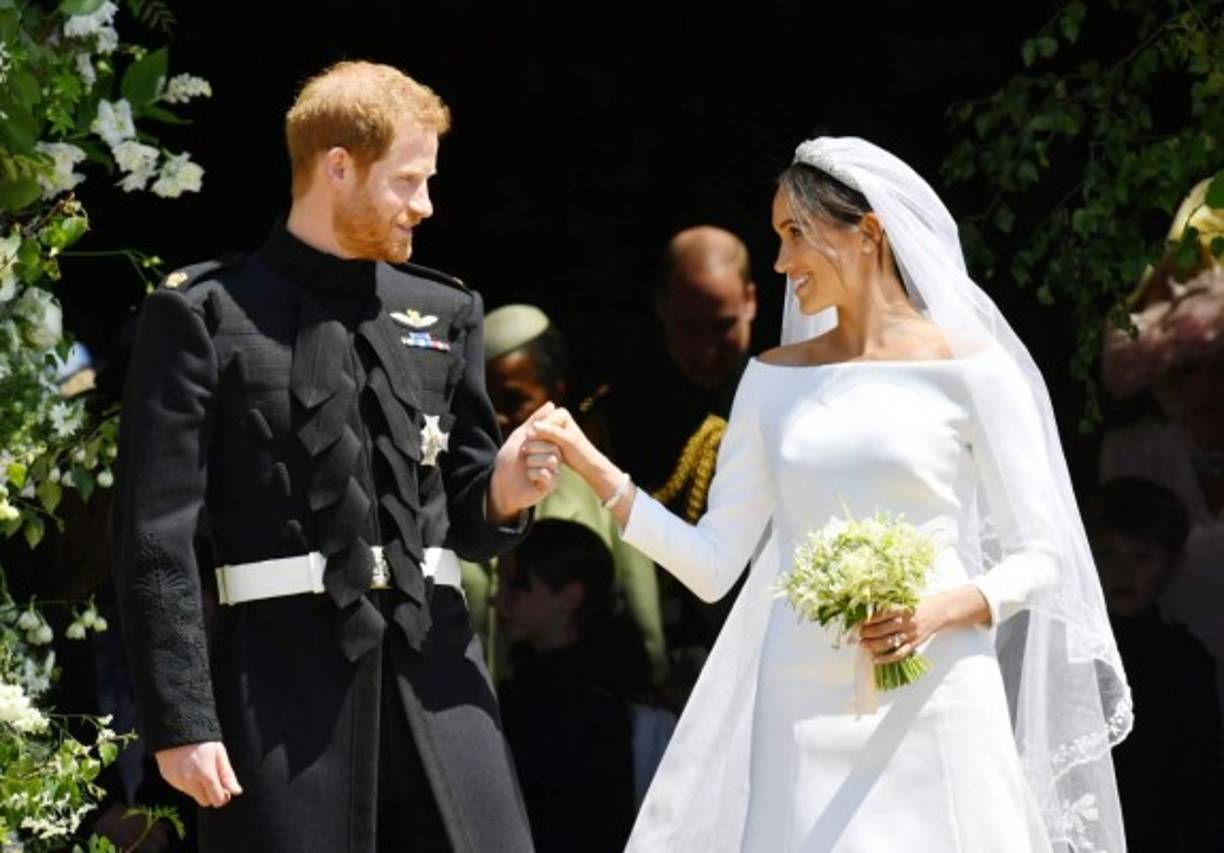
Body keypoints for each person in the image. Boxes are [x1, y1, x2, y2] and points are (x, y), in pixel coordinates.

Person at [529, 137, 1131, 851]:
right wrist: (599, 472)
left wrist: (940, 611)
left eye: (795, 234)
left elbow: (1043, 554)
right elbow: (714, 562)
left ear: (868, 232)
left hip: (938, 687)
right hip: (799, 700)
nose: (780, 263)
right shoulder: (772, 379)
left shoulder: (975, 370)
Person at [113, 61, 560, 852]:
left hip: (445, 698)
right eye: (407, 181)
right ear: (339, 166)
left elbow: (462, 512)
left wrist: (503, 491)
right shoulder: (202, 313)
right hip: (284, 705)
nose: (425, 204)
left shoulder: (447, 307)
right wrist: (180, 720)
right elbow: (155, 539)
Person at [461, 304, 667, 683]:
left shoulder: (599, 488)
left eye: (513, 401)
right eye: (486, 404)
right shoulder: (455, 492)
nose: (500, 420)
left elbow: (643, 621)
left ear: (554, 393)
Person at [494, 519, 661, 853]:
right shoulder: (523, 692)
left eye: (519, 586)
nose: (499, 601)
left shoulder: (603, 710)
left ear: (570, 596)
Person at [1084, 477, 1224, 851]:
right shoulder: (1070, 651)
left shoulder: (1184, 661)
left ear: (1173, 564)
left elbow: (1201, 783)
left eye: (1141, 556)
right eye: (1106, 554)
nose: (1122, 571)